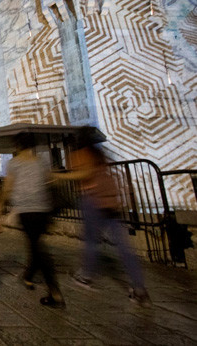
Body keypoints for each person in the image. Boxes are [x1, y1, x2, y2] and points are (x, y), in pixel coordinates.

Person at [56, 127, 151, 307]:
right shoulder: (99, 153)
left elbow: (84, 174)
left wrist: (61, 177)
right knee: (124, 247)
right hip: (110, 202)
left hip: (92, 201)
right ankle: (139, 288)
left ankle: (86, 276)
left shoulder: (78, 154)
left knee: (91, 242)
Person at [3, 132, 64, 308]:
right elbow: (51, 180)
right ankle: (28, 276)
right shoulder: (41, 162)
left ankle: (54, 290)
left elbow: (8, 187)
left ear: (18, 145)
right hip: (43, 209)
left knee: (38, 247)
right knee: (34, 243)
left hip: (26, 210)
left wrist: (0, 205)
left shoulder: (13, 163)